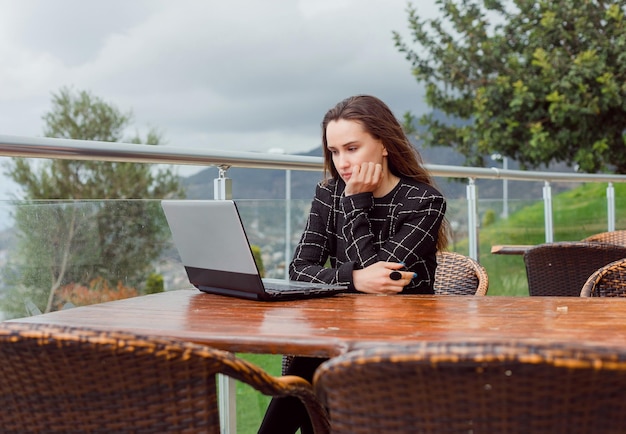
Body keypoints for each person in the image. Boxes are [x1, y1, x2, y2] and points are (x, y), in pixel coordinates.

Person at [258, 94, 449, 433]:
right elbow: (300, 270)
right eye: (334, 151)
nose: (342, 162)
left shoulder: (424, 202)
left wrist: (354, 204)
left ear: (384, 145)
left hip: (401, 342)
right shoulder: (328, 194)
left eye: (352, 148)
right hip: (337, 334)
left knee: (304, 374)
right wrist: (356, 279)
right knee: (304, 373)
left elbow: (384, 283)